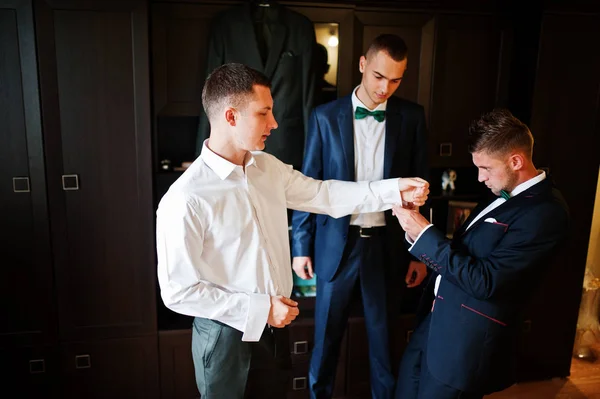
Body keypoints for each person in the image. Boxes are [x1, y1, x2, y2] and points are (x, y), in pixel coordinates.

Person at [156, 63, 429, 399]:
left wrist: (394, 189)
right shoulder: (185, 198)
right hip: (225, 336)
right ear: (231, 117)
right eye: (264, 113)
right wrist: (259, 310)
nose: (274, 123)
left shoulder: (267, 167)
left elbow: (325, 194)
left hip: (276, 326)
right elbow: (177, 291)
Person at [392, 108, 570, 399]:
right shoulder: (502, 189)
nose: (479, 178)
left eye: (485, 168)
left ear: (516, 161)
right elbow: (468, 249)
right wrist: (419, 239)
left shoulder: (546, 214)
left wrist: (425, 234)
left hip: (464, 347)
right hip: (434, 324)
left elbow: (486, 282)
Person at [291, 34, 429, 399]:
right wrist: (300, 245)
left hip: (388, 247)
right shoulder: (324, 117)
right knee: (325, 341)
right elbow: (308, 184)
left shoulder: (412, 118)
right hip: (337, 243)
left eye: (396, 80)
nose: (386, 88)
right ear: (363, 65)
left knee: (385, 345)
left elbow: (421, 188)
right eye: (380, 76)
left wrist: (420, 251)